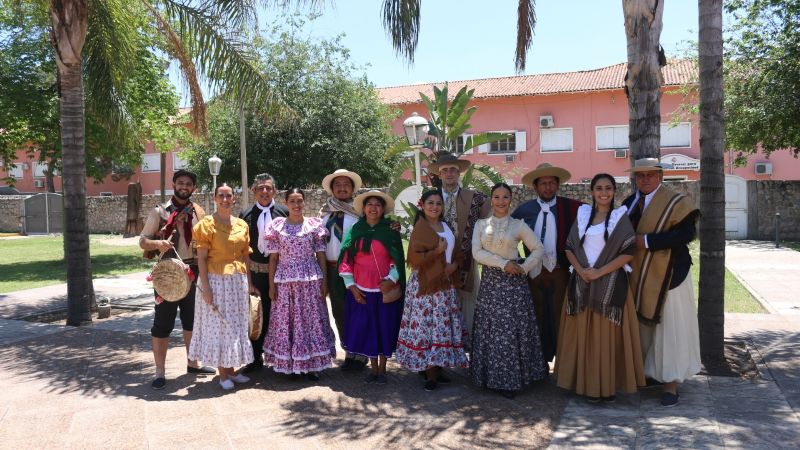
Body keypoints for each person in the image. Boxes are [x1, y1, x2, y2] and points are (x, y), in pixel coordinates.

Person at [554, 173, 646, 403]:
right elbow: (569, 247)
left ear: (614, 191)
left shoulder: (619, 217)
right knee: (582, 338)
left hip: (610, 286)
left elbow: (627, 252)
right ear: (592, 192)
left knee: (605, 341)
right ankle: (584, 385)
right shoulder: (583, 216)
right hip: (581, 283)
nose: (603, 192)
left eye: (608, 188)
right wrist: (583, 270)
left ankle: (606, 387)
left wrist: (598, 273)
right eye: (598, 188)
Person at [622, 158, 701, 407]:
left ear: (660, 176)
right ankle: (648, 373)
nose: (645, 179)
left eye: (650, 175)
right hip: (638, 274)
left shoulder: (676, 202)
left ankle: (671, 384)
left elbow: (686, 234)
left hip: (671, 275)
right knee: (644, 326)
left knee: (671, 328)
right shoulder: (629, 203)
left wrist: (646, 242)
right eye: (640, 175)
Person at [139, 169, 215, 390]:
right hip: (168, 274)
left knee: (192, 321)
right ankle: (160, 372)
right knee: (162, 324)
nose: (184, 186)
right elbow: (143, 241)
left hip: (193, 272)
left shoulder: (199, 211)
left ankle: (193, 364)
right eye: (180, 182)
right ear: (174, 184)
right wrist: (157, 244)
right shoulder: (160, 211)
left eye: (188, 184)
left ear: (193, 188)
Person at [471, 183, 548, 399]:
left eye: (505, 197)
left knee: (510, 332)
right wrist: (502, 263)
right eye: (497, 197)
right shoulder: (480, 224)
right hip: (491, 283)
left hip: (514, 284)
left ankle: (510, 381)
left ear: (511, 199)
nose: (501, 201)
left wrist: (523, 267)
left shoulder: (518, 225)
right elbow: (476, 252)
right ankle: (488, 377)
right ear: (491, 199)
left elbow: (538, 248)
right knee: (491, 330)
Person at [396, 189, 468, 391]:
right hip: (425, 286)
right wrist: (436, 252)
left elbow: (456, 252)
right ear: (422, 205)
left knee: (440, 327)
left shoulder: (445, 226)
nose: (435, 207)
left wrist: (453, 266)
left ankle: (437, 367)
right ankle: (429, 373)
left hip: (445, 286)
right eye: (431, 203)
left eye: (438, 203)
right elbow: (414, 257)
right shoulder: (420, 228)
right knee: (427, 327)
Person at [189, 184, 258, 390]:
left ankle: (232, 371)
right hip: (215, 281)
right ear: (215, 198)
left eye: (229, 196)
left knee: (236, 325)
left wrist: (250, 283)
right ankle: (222, 375)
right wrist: (207, 289)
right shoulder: (206, 225)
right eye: (221, 195)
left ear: (234, 199)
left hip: (237, 282)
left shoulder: (241, 225)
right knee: (219, 325)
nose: (225, 199)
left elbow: (246, 256)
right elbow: (201, 260)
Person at [512, 163, 583, 362]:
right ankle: (538, 361)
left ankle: (564, 362)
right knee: (537, 315)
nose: (548, 187)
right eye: (543, 183)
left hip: (562, 271)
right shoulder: (524, 210)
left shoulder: (572, 208)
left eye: (552, 183)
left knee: (562, 315)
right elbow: (510, 237)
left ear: (558, 185)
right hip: (534, 272)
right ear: (535, 186)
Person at [263, 188, 336, 379]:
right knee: (288, 321)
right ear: (286, 203)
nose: (297, 205)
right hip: (285, 281)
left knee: (310, 320)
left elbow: (320, 255)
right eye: (293, 201)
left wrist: (324, 282)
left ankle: (311, 364)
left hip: (310, 279)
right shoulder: (277, 226)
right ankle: (290, 364)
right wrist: (271, 286)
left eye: (300, 201)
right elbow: (273, 260)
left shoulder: (314, 225)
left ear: (304, 203)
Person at [338, 190, 406, 384]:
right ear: (364, 208)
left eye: (377, 204)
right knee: (369, 329)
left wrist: (391, 279)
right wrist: (351, 287)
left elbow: (397, 259)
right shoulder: (355, 230)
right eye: (370, 204)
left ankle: (383, 370)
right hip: (361, 289)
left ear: (383, 209)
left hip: (383, 290)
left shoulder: (390, 230)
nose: (373, 208)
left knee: (384, 327)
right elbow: (346, 259)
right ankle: (373, 368)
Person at [426, 153, 491, 336]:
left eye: (453, 170)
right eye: (444, 170)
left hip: (467, 262)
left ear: (459, 173)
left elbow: (492, 222)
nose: (449, 174)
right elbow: (420, 227)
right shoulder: (430, 198)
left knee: (468, 303)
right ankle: (442, 345)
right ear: (439, 174)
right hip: (437, 263)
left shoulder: (476, 198)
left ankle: (467, 347)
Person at [319, 169, 369, 371]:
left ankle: (362, 353)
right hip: (331, 269)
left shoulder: (361, 212)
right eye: (337, 184)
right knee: (339, 311)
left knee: (358, 309)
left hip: (355, 270)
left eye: (345, 184)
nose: (341, 188)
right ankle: (349, 350)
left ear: (352, 188)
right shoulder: (325, 212)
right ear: (332, 189)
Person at [238, 173, 289, 373]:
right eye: (260, 188)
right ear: (254, 192)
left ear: (274, 190)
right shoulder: (245, 215)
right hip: (256, 274)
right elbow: (242, 248)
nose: (265, 191)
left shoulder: (284, 212)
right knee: (255, 315)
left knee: (281, 316)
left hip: (281, 275)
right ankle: (255, 358)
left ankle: (280, 357)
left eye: (268, 188)